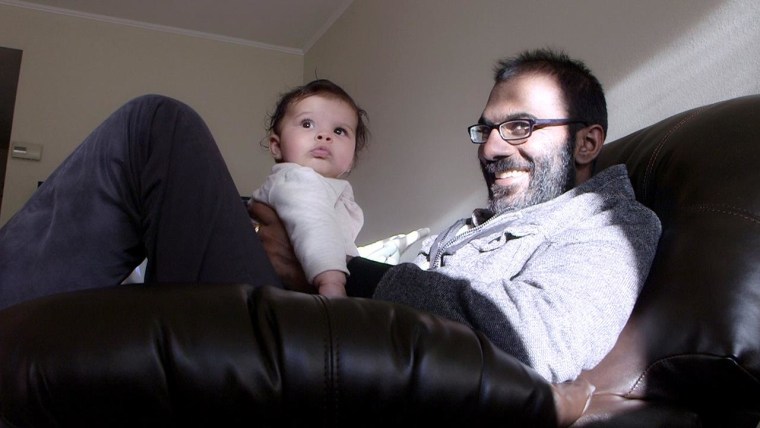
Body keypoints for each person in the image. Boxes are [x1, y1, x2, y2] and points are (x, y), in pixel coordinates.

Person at [253, 48, 663, 383]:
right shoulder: (468, 228)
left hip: (378, 389)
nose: (490, 149)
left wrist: (339, 272)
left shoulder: (610, 223)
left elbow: (544, 340)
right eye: (485, 131)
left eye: (520, 126)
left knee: (185, 130)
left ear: (586, 143)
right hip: (335, 354)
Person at [250, 79, 368, 297]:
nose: (325, 136)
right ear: (276, 146)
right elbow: (314, 222)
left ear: (350, 160)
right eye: (307, 124)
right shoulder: (297, 178)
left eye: (340, 130)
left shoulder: (333, 191)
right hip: (311, 287)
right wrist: (332, 282)